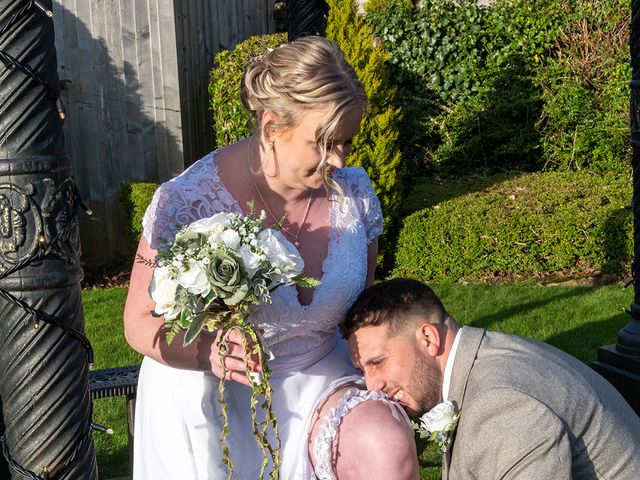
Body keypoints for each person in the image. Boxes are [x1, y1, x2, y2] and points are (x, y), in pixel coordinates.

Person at [123, 36, 418, 479]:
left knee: (385, 442)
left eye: (346, 142)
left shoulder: (353, 193)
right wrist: (210, 351)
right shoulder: (187, 200)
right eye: (323, 142)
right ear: (271, 126)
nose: (338, 160)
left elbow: (365, 310)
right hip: (211, 393)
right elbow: (137, 320)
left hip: (323, 377)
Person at [342, 278, 640, 480]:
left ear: (428, 338)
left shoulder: (502, 407)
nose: (372, 386)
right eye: (363, 370)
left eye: (378, 362)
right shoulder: (484, 358)